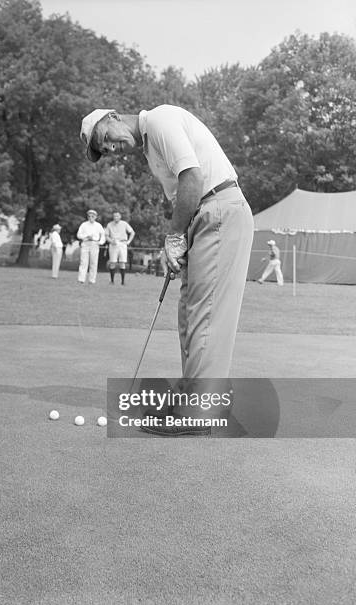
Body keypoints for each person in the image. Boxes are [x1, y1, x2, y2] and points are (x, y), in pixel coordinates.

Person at [80, 106, 254, 435]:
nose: (111, 148)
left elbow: (193, 177)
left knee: (206, 313)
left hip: (218, 208)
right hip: (205, 215)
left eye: (106, 139)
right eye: (104, 150)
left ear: (114, 117)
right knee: (190, 310)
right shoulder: (149, 148)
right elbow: (183, 193)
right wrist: (182, 238)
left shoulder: (159, 119)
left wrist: (174, 236)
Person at [105, 211, 135, 285]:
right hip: (113, 244)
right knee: (113, 262)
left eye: (117, 216)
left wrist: (128, 241)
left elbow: (132, 232)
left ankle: (123, 281)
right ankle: (112, 281)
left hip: (122, 243)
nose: (116, 217)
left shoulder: (124, 224)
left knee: (122, 262)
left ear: (120, 217)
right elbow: (106, 236)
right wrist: (111, 241)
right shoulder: (109, 225)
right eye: (114, 216)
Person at [76, 209, 106, 284]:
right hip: (85, 243)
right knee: (83, 262)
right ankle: (81, 279)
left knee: (93, 262)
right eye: (89, 216)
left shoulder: (98, 225)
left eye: (93, 216)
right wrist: (86, 237)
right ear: (88, 216)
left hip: (94, 244)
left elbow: (103, 235)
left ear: (95, 217)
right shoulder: (84, 224)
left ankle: (92, 280)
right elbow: (79, 235)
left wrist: (100, 242)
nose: (91, 217)